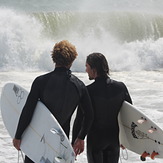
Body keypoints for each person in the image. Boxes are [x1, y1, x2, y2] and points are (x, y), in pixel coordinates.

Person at [13, 40, 93, 163]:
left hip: (38, 138)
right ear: (72, 61)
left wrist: (18, 136)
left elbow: (28, 110)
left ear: (54, 58)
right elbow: (89, 115)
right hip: (61, 143)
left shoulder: (41, 81)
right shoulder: (79, 86)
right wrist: (80, 138)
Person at [72, 52, 132, 163]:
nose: (86, 70)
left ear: (94, 69)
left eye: (87, 66)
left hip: (96, 141)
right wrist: (126, 138)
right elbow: (129, 114)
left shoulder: (88, 91)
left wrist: (77, 140)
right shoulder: (120, 87)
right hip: (114, 140)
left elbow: (81, 118)